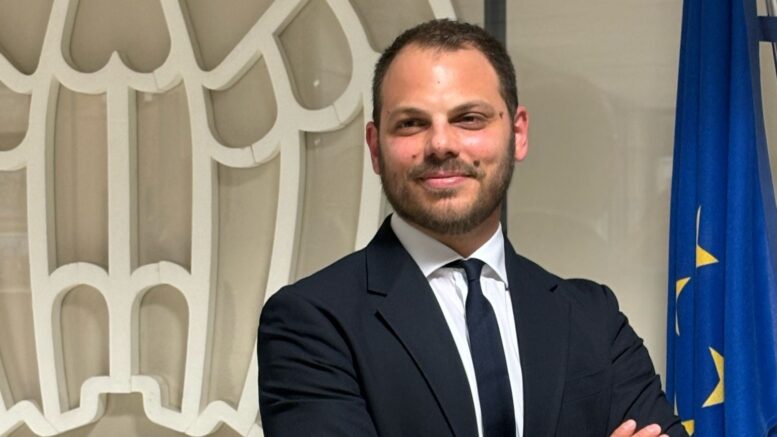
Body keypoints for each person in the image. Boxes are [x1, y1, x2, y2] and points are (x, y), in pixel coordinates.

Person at [258, 19, 687, 437]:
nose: (441, 144)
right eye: (411, 123)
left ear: (517, 133)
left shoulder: (593, 318)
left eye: (469, 118)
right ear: (375, 146)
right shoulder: (310, 322)